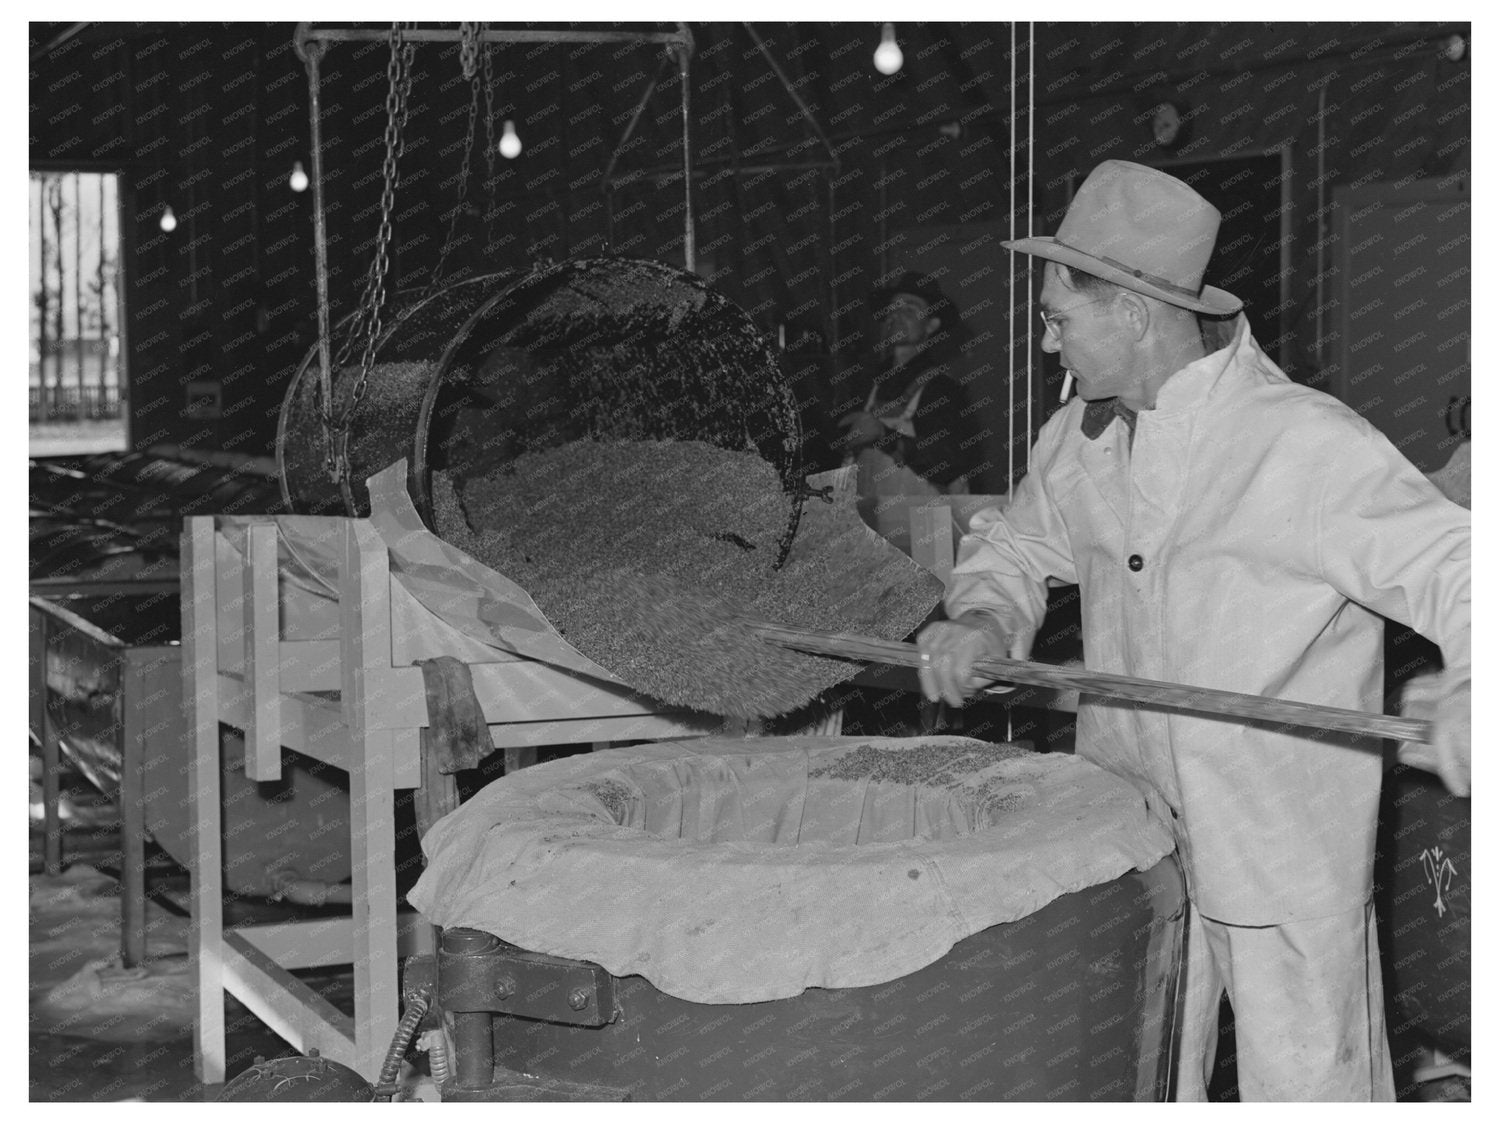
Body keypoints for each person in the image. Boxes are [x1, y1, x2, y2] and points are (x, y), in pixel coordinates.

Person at [914, 160, 1471, 1101]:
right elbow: (1013, 550)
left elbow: (1461, 568)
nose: (1048, 345)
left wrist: (1472, 684)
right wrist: (979, 614)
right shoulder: (1080, 441)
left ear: (1134, 310)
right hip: (1135, 835)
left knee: (1310, 1091)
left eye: (1059, 318)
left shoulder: (1301, 445)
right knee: (1143, 1082)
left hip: (1281, 850)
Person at [838, 271, 981, 550]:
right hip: (870, 531)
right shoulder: (869, 385)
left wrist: (882, 434)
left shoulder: (941, 388)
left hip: (924, 536)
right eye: (892, 308)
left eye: (910, 308)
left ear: (931, 325)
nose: (896, 314)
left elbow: (946, 459)